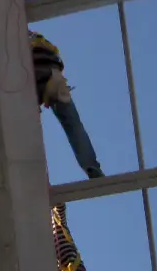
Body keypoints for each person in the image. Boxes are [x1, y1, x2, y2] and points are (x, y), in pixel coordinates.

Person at [30, 31, 104, 179]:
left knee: (27, 130)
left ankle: (37, 179)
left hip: (29, 75)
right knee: (73, 125)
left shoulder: (11, 36)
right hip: (53, 75)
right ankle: (91, 166)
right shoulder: (39, 38)